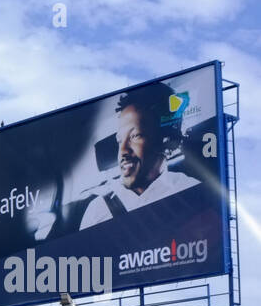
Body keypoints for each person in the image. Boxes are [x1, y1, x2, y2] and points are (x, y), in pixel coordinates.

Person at [80, 81, 199, 229]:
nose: (123, 151)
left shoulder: (191, 192)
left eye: (135, 136)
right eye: (119, 140)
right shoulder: (97, 210)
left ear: (166, 140)